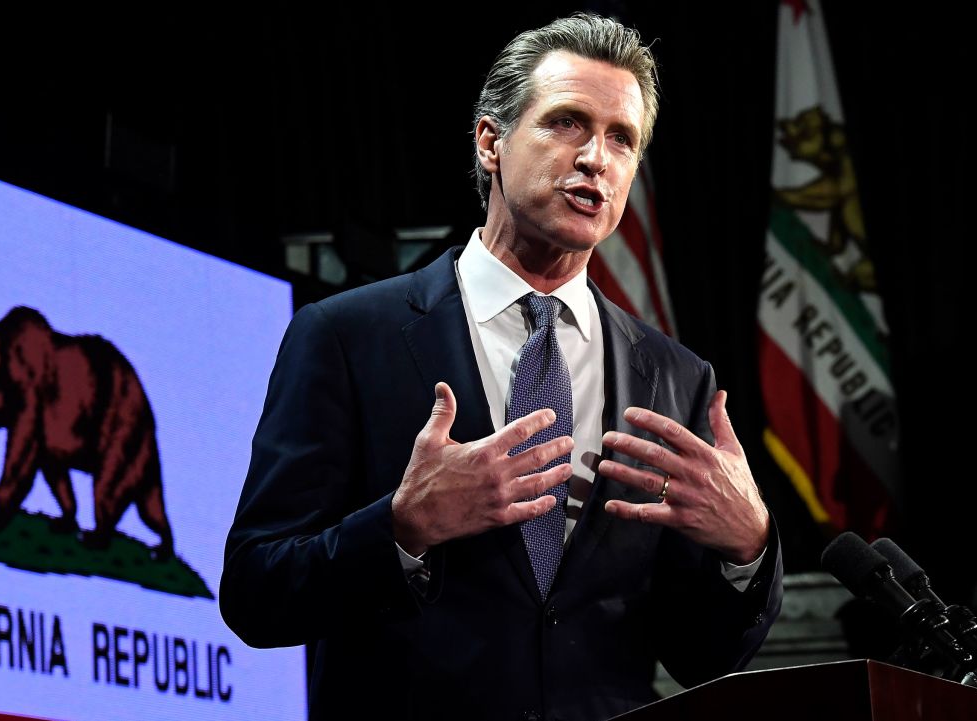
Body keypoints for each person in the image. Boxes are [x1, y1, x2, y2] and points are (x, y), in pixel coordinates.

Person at [220, 13, 783, 721]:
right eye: (567, 123)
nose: (596, 159)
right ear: (491, 141)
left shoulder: (675, 377)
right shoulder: (345, 335)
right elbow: (255, 590)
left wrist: (748, 547)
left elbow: (701, 656)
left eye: (622, 139)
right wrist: (401, 526)